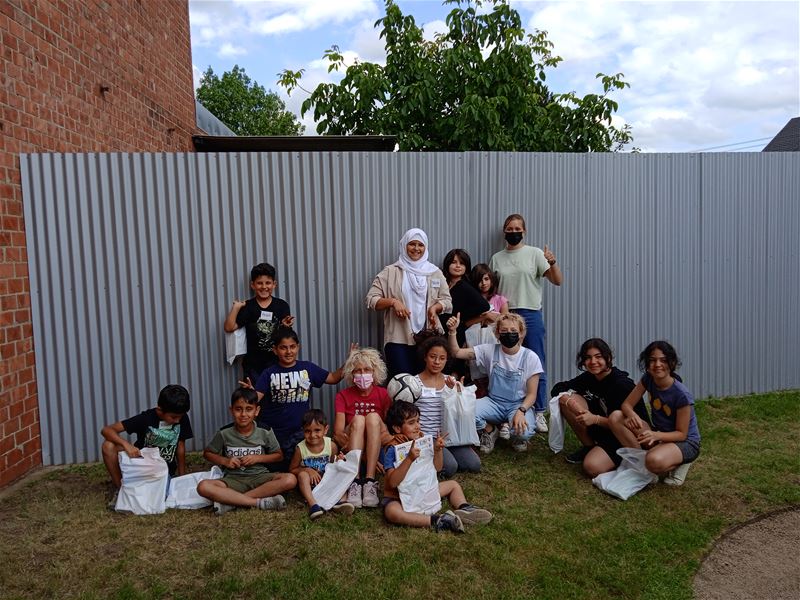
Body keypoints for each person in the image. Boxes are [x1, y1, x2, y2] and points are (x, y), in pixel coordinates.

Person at [489, 213, 563, 434]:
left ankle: (539, 411)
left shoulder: (535, 254)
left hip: (530, 313)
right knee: (505, 364)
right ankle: (506, 410)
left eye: (517, 228)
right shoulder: (496, 258)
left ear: (524, 230)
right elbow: (492, 289)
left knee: (536, 361)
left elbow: (557, 281)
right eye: (509, 229)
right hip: (505, 315)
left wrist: (552, 262)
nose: (513, 232)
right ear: (504, 232)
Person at [240, 326, 350, 469]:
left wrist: (349, 361)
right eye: (283, 348)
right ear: (275, 350)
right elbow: (256, 399)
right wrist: (250, 392)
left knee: (301, 463)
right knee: (278, 466)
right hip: (275, 433)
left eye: (292, 347)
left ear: (298, 347)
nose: (288, 351)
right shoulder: (269, 373)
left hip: (301, 432)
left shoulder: (307, 368)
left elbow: (333, 377)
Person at [381, 400, 493, 532]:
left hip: (424, 490)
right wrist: (409, 459)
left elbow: (438, 468)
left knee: (453, 485)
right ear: (397, 428)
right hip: (399, 497)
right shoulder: (392, 449)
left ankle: (464, 508)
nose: (417, 426)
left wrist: (437, 450)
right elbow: (393, 482)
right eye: (411, 423)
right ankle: (439, 520)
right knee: (392, 512)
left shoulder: (423, 441)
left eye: (418, 421)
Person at [551, 338, 651, 476]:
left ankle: (637, 459)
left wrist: (595, 419)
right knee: (566, 399)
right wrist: (570, 403)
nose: (593, 362)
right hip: (605, 430)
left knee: (591, 466)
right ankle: (589, 447)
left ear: (608, 357)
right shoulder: (589, 377)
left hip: (628, 435)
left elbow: (623, 423)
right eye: (588, 358)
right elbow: (558, 388)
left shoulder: (621, 384)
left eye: (598, 357)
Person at [447, 312, 542, 453]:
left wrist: (521, 411)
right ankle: (490, 430)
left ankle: (517, 436)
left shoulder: (530, 357)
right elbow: (456, 352)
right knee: (463, 410)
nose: (508, 334)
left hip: (517, 404)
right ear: (497, 333)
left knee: (524, 432)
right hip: (494, 402)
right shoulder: (489, 350)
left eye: (513, 331)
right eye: (504, 331)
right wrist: (452, 332)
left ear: (521, 333)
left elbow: (532, 394)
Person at [609, 341, 701, 486]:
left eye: (663, 360)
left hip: (686, 443)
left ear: (671, 363)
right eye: (652, 360)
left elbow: (682, 434)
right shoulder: (648, 379)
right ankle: (643, 466)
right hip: (660, 434)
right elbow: (626, 405)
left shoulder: (682, 395)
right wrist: (632, 415)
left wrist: (655, 435)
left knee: (653, 460)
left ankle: (680, 462)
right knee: (616, 417)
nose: (657, 364)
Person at [366, 228, 452, 378]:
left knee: (426, 383)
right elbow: (371, 299)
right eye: (412, 244)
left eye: (421, 245)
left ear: (425, 247)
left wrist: (435, 308)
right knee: (403, 384)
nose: (416, 249)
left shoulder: (434, 272)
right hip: (399, 339)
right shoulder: (391, 272)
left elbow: (447, 301)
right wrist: (393, 302)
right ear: (404, 245)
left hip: (429, 338)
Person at [197, 387, 296, 514]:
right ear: (231, 410)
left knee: (290, 479)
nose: (243, 414)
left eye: (249, 409)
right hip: (233, 480)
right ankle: (257, 502)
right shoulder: (224, 433)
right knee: (203, 486)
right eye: (238, 409)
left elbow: (279, 456)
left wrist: (258, 458)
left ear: (257, 411)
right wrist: (226, 461)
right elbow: (207, 453)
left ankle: (232, 502)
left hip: (260, 478)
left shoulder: (265, 431)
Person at [101, 384, 193, 497]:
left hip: (163, 471)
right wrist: (126, 445)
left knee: (161, 496)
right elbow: (107, 430)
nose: (178, 420)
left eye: (181, 416)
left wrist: (182, 477)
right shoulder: (145, 418)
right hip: (141, 466)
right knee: (108, 445)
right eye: (173, 417)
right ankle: (121, 490)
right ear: (160, 409)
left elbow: (180, 447)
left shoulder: (182, 418)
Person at [333, 347, 393, 509]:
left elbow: (387, 433)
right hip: (353, 448)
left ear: (375, 372)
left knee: (373, 417)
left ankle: (369, 482)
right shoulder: (343, 396)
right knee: (359, 420)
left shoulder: (384, 395)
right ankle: (354, 481)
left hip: (376, 448)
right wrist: (364, 454)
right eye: (358, 371)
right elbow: (338, 434)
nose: (362, 374)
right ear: (351, 374)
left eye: (367, 370)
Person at [414, 336, 481, 476]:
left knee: (473, 464)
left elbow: (460, 411)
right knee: (450, 467)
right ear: (425, 357)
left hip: (450, 435)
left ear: (446, 360)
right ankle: (430, 460)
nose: (437, 362)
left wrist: (458, 393)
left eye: (442, 358)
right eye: (433, 357)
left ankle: (445, 454)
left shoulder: (450, 381)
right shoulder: (414, 383)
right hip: (427, 436)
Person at [224, 262, 294, 384]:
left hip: (277, 362)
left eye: (268, 283)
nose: (264, 287)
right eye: (259, 283)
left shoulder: (281, 306)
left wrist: (285, 326)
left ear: (274, 284)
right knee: (254, 398)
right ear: (253, 285)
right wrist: (236, 308)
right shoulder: (248, 307)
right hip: (253, 366)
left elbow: (286, 336)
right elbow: (229, 327)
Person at [289, 409, 356, 520]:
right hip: (310, 485)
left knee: (341, 472)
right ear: (303, 431)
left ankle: (340, 501)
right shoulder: (300, 449)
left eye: (317, 430)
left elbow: (333, 466)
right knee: (302, 475)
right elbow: (292, 469)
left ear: (325, 430)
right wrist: (307, 470)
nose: (312, 435)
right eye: (307, 431)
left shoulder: (331, 445)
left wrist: (339, 460)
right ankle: (313, 505)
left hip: (326, 482)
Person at [439, 249, 492, 379]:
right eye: (454, 262)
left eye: (462, 263)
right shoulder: (444, 284)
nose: (457, 266)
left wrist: (463, 319)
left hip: (455, 333)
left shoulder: (465, 286)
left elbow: (484, 306)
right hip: (442, 332)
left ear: (466, 267)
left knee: (452, 369)